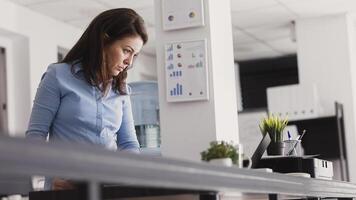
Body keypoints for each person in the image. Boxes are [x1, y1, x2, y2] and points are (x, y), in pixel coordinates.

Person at [26, 8, 148, 190]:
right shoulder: (58, 76)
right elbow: (35, 136)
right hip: (64, 188)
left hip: (108, 188)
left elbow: (128, 143)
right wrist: (51, 177)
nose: (129, 62)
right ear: (104, 40)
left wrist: (132, 174)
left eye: (134, 55)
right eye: (126, 51)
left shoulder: (121, 90)